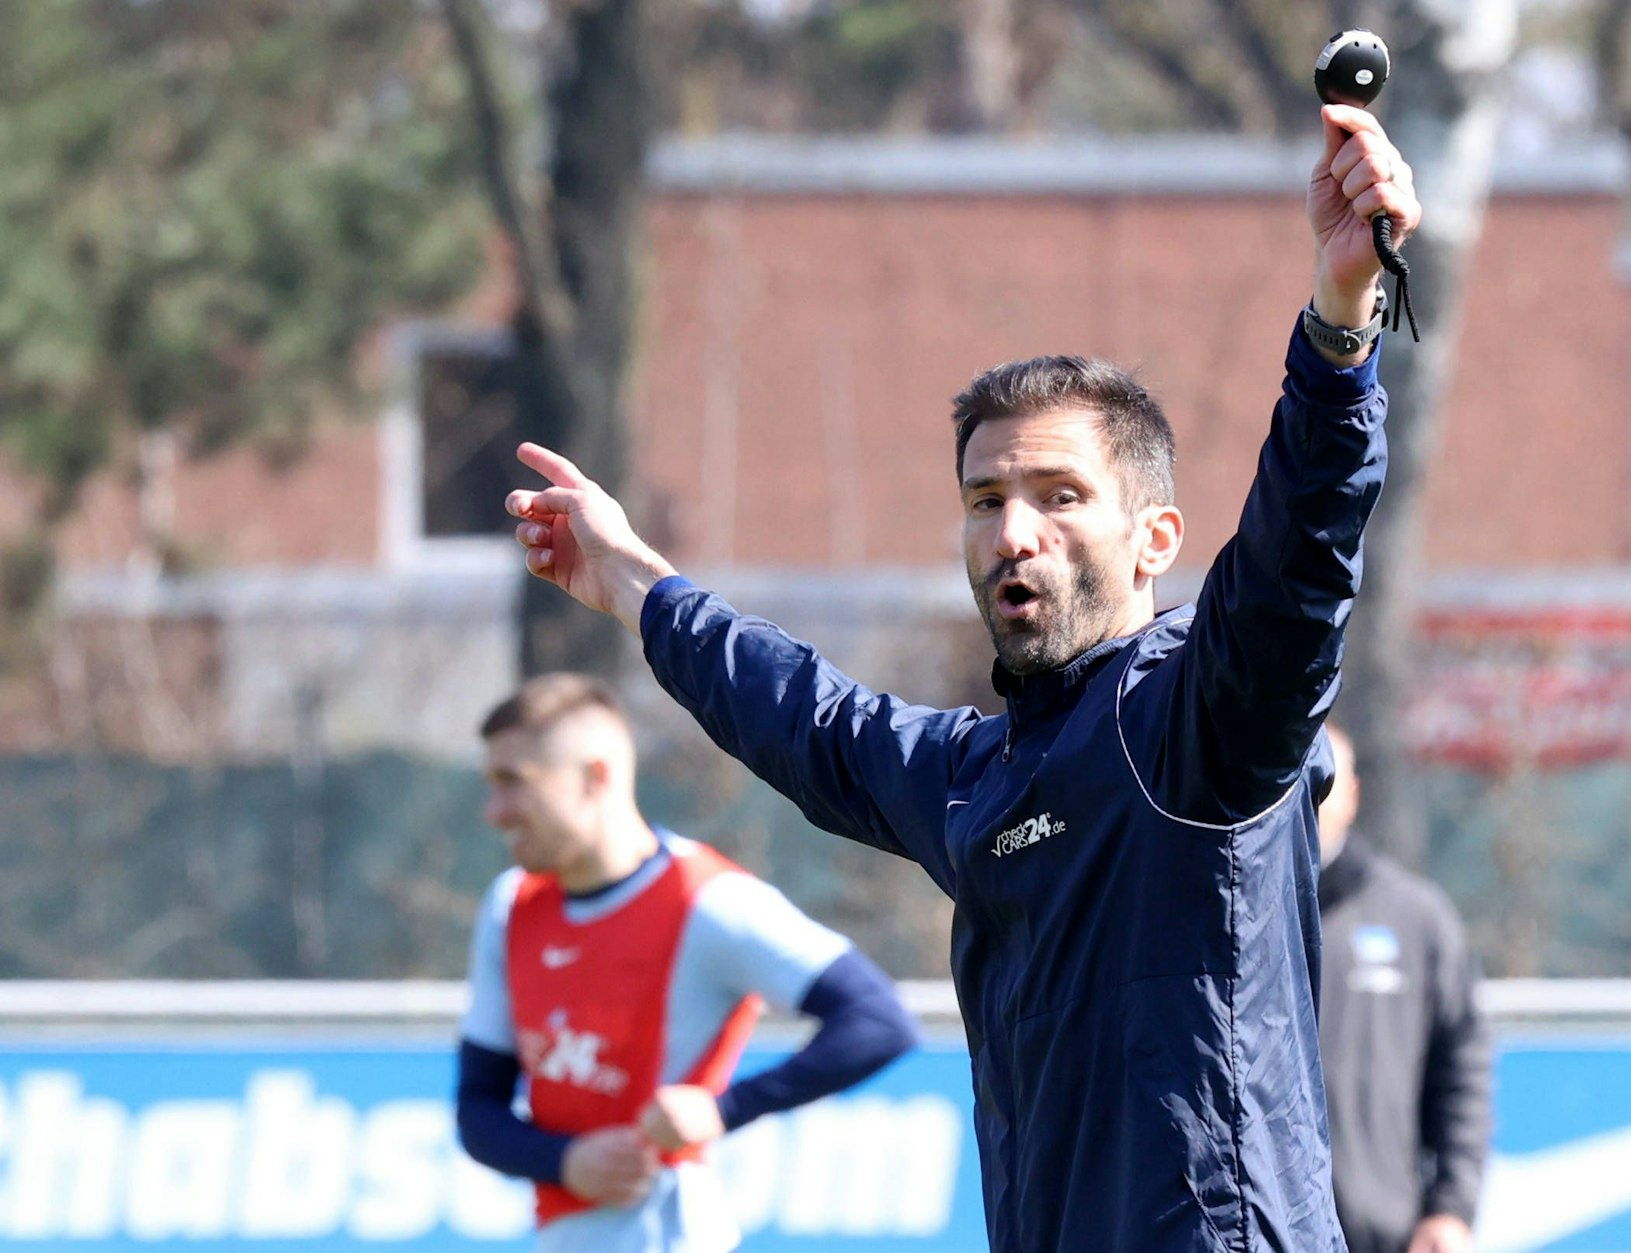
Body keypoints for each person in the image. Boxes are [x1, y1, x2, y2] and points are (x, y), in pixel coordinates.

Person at [501, 103, 1419, 1252]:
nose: (1012, 531)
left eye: (1057, 493)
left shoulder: (1200, 718)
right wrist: (635, 583)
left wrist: (1339, 329)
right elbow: (804, 715)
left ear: (1154, 539)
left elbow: (1298, 560)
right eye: (985, 500)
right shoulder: (973, 775)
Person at [454, 672, 919, 1252]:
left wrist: (725, 1109)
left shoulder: (708, 900)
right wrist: (566, 1160)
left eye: (513, 782)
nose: (494, 812)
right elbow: (478, 1113)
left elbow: (878, 1021)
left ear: (594, 777)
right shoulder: (511, 906)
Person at [1314, 726, 1493, 1253]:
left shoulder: (1415, 918)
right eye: (1301, 779)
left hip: (1382, 1233)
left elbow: (1463, 1068)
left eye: (1327, 782)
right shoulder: (1231, 911)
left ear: (1353, 794)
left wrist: (1451, 1207)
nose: (1313, 798)